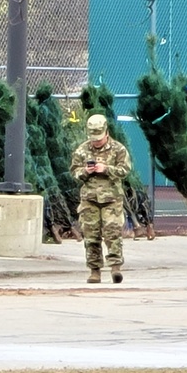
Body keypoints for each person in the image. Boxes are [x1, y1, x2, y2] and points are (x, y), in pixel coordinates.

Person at [70, 114, 132, 284]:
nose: (96, 142)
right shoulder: (82, 150)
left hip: (111, 198)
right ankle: (94, 270)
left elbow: (125, 170)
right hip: (89, 199)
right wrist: (85, 172)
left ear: (106, 132)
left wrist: (106, 169)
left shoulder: (118, 149)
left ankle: (115, 268)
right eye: (93, 138)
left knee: (112, 233)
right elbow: (74, 171)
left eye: (99, 138)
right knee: (91, 235)